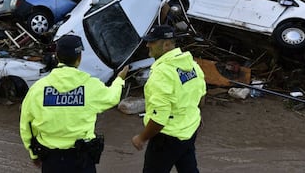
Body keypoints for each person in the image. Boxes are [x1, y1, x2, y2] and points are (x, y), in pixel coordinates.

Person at [20, 34, 128, 172]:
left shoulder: (37, 89)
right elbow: (112, 97)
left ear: (57, 56)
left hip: (51, 161)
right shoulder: (91, 86)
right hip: (82, 160)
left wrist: (33, 153)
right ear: (79, 58)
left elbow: (26, 125)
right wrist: (119, 80)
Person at [132, 25, 207, 173]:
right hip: (189, 131)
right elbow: (201, 98)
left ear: (166, 45)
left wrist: (141, 138)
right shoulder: (192, 66)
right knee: (189, 169)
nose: (147, 45)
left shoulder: (162, 74)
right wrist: (191, 118)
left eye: (152, 42)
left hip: (166, 138)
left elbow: (159, 118)